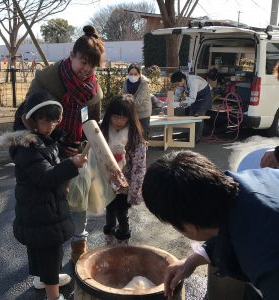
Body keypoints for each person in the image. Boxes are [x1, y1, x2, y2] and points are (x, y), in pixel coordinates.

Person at [13, 25, 105, 264]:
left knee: (79, 202)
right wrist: (52, 142)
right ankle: (45, 266)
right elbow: (26, 117)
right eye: (83, 62)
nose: (86, 70)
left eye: (92, 65)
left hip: (76, 153)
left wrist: (83, 143)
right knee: (46, 207)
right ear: (72, 55)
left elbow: (92, 123)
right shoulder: (47, 80)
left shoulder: (94, 91)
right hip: (45, 152)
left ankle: (78, 247)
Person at [142, 150, 279, 300]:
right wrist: (190, 262)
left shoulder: (264, 258)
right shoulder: (238, 185)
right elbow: (230, 230)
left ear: (190, 227)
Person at [0, 91, 87, 300]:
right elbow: (45, 177)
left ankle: (44, 279)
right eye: (45, 121)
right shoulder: (28, 146)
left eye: (55, 120)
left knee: (41, 248)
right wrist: (70, 165)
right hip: (39, 208)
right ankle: (53, 295)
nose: (52, 126)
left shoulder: (43, 139)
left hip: (40, 206)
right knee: (49, 251)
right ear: (31, 120)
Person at [100, 94, 147, 244]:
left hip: (124, 184)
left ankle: (123, 237)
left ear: (130, 117)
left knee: (121, 212)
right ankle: (110, 233)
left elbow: (139, 167)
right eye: (115, 117)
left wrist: (134, 191)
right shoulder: (102, 131)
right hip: (106, 180)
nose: (118, 121)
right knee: (109, 208)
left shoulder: (135, 137)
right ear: (109, 116)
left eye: (123, 118)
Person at [171, 70, 212, 143]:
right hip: (196, 98)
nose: (177, 85)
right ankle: (191, 136)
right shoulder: (181, 83)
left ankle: (196, 138)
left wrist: (179, 104)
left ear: (182, 80)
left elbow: (192, 99)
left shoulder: (193, 82)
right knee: (191, 115)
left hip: (204, 97)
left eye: (177, 83)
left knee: (198, 117)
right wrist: (171, 103)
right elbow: (177, 94)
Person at [123, 64, 152, 139]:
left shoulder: (144, 84)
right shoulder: (126, 82)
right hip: (131, 113)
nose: (133, 76)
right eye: (131, 74)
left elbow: (138, 101)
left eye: (135, 74)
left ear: (139, 74)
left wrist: (126, 105)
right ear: (128, 74)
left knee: (143, 136)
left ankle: (144, 149)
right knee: (131, 136)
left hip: (143, 114)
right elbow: (124, 96)